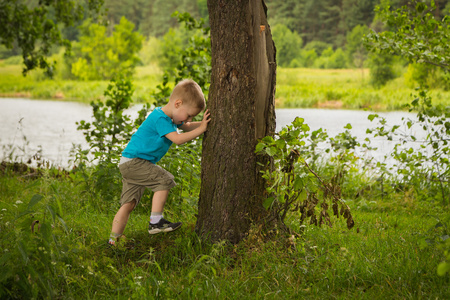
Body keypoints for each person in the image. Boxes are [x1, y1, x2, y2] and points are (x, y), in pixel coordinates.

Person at [108, 79, 210, 246]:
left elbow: (187, 126)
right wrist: (202, 129)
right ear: (178, 104)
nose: (189, 119)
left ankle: (114, 239)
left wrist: (205, 124)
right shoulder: (160, 119)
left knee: (129, 204)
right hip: (135, 162)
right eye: (189, 114)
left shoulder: (170, 118)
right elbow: (177, 139)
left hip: (128, 162)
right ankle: (156, 222)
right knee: (165, 180)